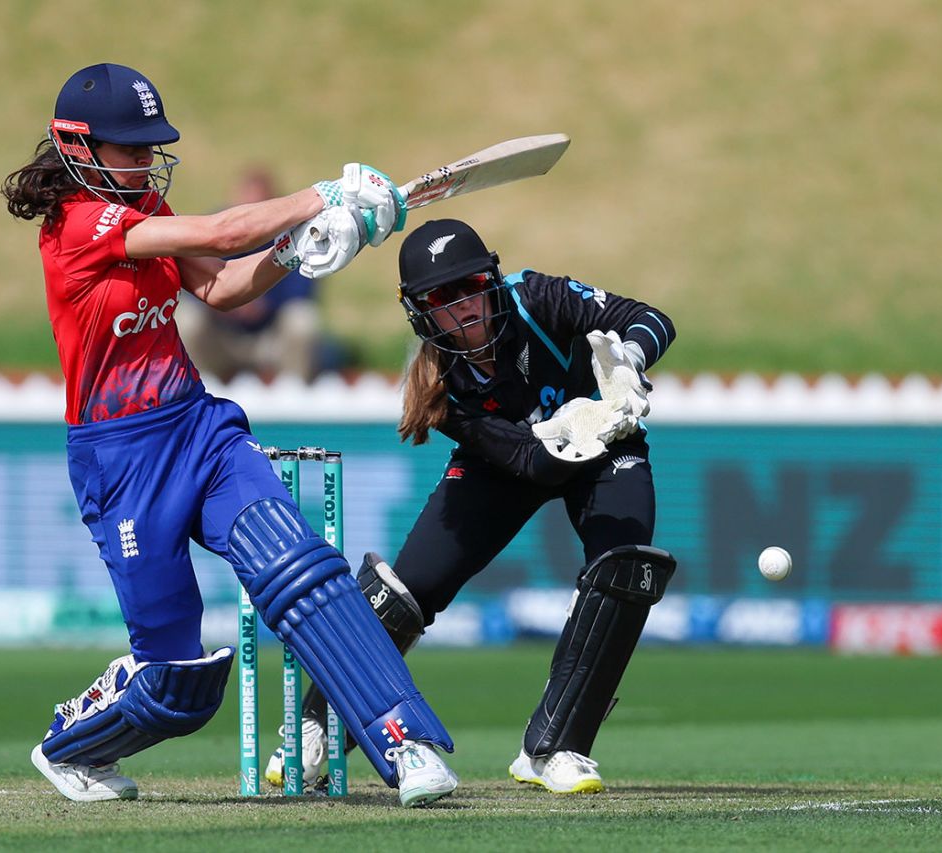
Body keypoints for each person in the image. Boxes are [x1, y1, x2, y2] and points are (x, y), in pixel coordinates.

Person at [0, 62, 456, 808]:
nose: (147, 160)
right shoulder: (80, 224)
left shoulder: (140, 199)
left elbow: (218, 283)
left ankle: (405, 746)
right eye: (131, 147)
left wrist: (298, 251)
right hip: (120, 459)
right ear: (79, 146)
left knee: (302, 570)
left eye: (152, 146)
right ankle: (72, 744)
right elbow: (218, 229)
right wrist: (325, 194)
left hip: (195, 426)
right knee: (183, 682)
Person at [266, 218, 677, 795]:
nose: (462, 309)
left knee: (627, 567)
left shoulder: (538, 297)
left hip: (609, 449)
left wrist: (629, 360)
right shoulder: (443, 385)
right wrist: (574, 427)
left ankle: (556, 749)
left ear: (492, 280)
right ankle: (318, 726)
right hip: (509, 463)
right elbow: (531, 465)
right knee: (407, 591)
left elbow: (654, 318)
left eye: (470, 289)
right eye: (441, 300)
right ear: (421, 314)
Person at [174, 167, 343, 381]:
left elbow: (304, 288)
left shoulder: (294, 234)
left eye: (259, 208)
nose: (251, 216)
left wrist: (260, 302)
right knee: (187, 319)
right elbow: (190, 284)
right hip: (221, 336)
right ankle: (196, 389)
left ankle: (295, 396)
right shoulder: (213, 232)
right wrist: (230, 305)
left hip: (271, 336)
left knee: (303, 320)